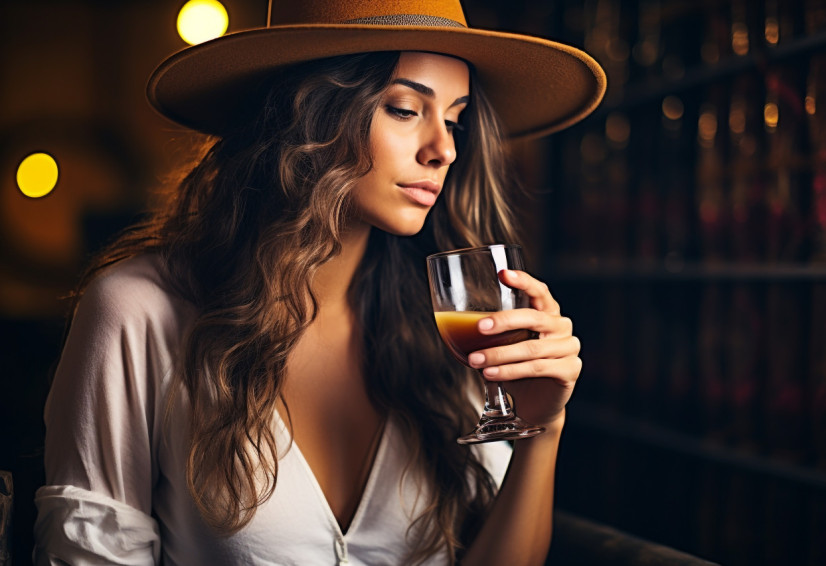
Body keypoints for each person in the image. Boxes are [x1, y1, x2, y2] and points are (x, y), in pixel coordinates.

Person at [33, 1, 605, 564]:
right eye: (405, 109)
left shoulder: (447, 330)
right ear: (308, 111)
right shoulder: (140, 311)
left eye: (454, 120)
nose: (445, 149)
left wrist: (542, 428)